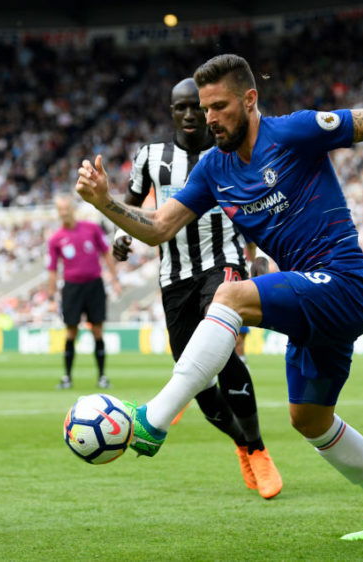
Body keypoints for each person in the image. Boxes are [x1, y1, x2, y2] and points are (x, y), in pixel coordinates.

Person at [75, 53, 363, 540]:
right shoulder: (213, 169)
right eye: (204, 107)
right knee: (310, 420)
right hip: (309, 299)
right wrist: (104, 202)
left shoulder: (295, 132)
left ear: (250, 100)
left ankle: (153, 419)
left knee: (231, 296)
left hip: (344, 282)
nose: (209, 118)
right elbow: (157, 229)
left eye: (219, 106)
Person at [112, 78, 281, 499]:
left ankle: (259, 449)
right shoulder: (151, 156)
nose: (190, 115)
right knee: (195, 377)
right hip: (173, 276)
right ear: (171, 111)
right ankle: (241, 444)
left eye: (196, 107)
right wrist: (126, 237)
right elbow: (132, 205)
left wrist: (255, 253)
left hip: (221, 263)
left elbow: (250, 201)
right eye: (181, 108)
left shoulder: (227, 148)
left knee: (222, 352)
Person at [47, 194, 121, 390]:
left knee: (97, 330)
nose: (64, 212)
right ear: (58, 213)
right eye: (60, 209)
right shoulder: (55, 239)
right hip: (71, 288)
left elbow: (106, 253)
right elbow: (53, 269)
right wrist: (51, 296)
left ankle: (102, 376)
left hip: (94, 285)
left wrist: (115, 279)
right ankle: (67, 377)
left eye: (66, 208)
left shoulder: (92, 228)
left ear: (73, 209)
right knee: (71, 332)